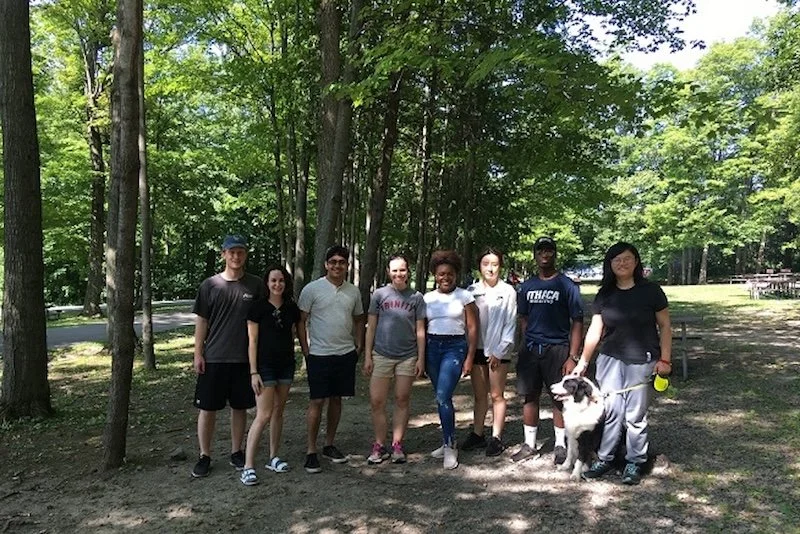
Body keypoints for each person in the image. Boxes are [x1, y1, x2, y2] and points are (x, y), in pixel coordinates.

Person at [573, 242, 672, 485]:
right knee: (611, 412)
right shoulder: (605, 294)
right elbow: (595, 331)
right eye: (616, 260)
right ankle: (605, 459)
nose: (622, 263)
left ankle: (635, 462)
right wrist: (583, 361)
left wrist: (665, 359)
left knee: (635, 416)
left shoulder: (651, 291)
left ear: (636, 262)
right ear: (610, 264)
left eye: (627, 258)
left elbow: (666, 327)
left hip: (642, 359)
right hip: (609, 360)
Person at [191, 235, 265, 478]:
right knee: (208, 409)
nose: (236, 256)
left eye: (240, 252)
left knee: (240, 408)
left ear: (245, 255)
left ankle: (236, 451)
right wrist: (198, 353)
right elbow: (202, 321)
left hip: (244, 360)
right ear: (223, 254)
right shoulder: (209, 286)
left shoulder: (255, 285)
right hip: (214, 357)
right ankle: (205, 455)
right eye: (231, 252)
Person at [512, 236, 584, 465]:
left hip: (558, 349)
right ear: (535, 254)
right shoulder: (527, 286)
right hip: (532, 350)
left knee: (559, 398)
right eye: (541, 250)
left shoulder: (566, 285)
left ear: (555, 254)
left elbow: (578, 321)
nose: (545, 254)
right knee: (529, 396)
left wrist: (573, 356)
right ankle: (529, 445)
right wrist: (526, 343)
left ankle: (561, 445)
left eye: (549, 250)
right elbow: (523, 318)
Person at [297, 245, 365, 474]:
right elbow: (301, 320)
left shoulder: (353, 292)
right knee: (317, 401)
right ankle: (310, 450)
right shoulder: (312, 289)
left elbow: (358, 319)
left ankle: (329, 444)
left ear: (347, 266)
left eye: (341, 262)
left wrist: (359, 345)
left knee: (337, 399)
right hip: (319, 354)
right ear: (326, 264)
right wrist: (306, 350)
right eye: (333, 261)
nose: (337, 265)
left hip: (345, 354)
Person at [239, 265, 305, 486]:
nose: (277, 284)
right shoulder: (256, 308)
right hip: (263, 367)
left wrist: (307, 355)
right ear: (266, 283)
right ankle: (248, 466)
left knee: (279, 412)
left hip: (286, 366)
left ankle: (273, 457)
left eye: (281, 281)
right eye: (273, 280)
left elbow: (298, 334)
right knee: (264, 414)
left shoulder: (291, 308)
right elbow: (252, 341)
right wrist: (253, 371)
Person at [363, 254, 426, 464]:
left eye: (403, 270)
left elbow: (420, 330)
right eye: (395, 270)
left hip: (407, 356)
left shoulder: (416, 298)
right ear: (388, 272)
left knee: (402, 399)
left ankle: (397, 444)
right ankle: (379, 444)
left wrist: (420, 359)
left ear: (408, 271)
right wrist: (367, 356)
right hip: (381, 354)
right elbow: (371, 327)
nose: (399, 274)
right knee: (377, 401)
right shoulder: (379, 295)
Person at [424, 250, 479, 470]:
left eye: (449, 274)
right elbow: (420, 328)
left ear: (456, 274)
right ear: (434, 276)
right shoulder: (427, 298)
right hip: (431, 348)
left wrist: (470, 357)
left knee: (443, 394)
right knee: (440, 398)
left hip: (454, 348)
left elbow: (473, 328)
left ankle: (450, 445)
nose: (445, 278)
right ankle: (447, 438)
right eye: (440, 274)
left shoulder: (465, 297)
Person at [461, 248, 517, 456]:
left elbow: (511, 323)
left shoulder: (508, 291)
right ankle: (477, 434)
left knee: (496, 394)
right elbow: (467, 323)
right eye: (486, 264)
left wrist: (501, 350)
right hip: (476, 349)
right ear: (479, 267)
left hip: (497, 351)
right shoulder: (471, 291)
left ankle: (496, 437)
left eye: (494, 264)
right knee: (479, 395)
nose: (490, 268)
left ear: (500, 266)